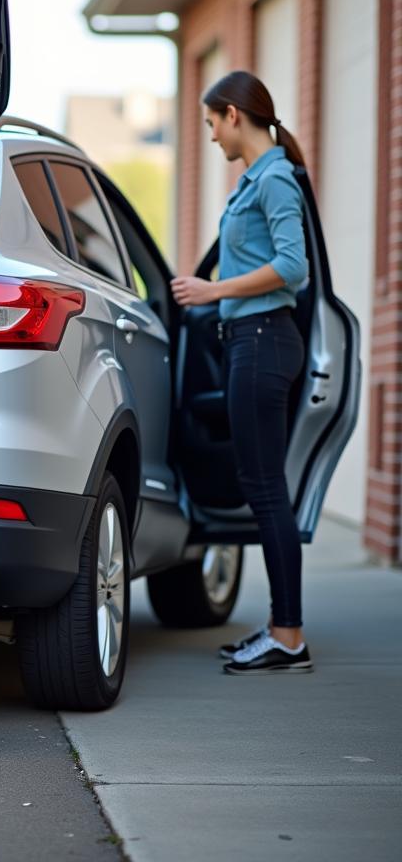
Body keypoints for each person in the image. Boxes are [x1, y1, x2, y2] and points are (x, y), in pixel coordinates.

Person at [170, 70, 313, 675]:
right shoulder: (255, 180)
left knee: (265, 491)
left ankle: (288, 636)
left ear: (233, 115)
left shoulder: (275, 177)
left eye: (210, 124)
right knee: (262, 489)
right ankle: (284, 628)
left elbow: (294, 267)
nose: (210, 137)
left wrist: (212, 291)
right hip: (249, 343)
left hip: (263, 340)